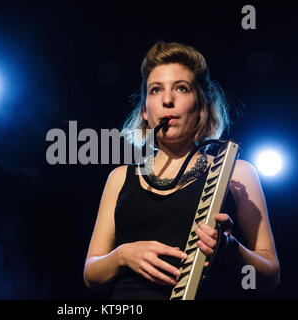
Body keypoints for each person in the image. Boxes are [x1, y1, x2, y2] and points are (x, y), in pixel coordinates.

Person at [83, 41, 280, 299]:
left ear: (201, 106)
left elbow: (270, 276)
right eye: (155, 90)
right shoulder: (120, 177)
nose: (167, 100)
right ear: (144, 110)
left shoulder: (236, 172)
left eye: (181, 88)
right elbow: (91, 274)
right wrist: (123, 255)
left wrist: (230, 248)